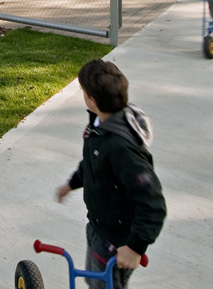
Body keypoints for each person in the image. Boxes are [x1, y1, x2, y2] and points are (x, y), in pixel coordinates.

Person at [54, 59, 166, 286]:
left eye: (83, 91)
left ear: (92, 100)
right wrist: (72, 183)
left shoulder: (121, 148)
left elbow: (153, 204)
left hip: (116, 241)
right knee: (93, 281)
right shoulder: (99, 125)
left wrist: (135, 247)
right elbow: (93, 165)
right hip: (98, 227)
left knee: (103, 285)